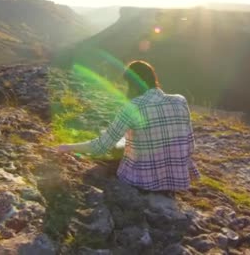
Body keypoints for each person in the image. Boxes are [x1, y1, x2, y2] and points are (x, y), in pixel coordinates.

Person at [56, 60, 199, 191]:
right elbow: (190, 145)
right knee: (130, 139)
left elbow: (101, 146)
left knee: (117, 143)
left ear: (133, 84)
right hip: (177, 180)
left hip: (143, 181)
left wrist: (69, 147)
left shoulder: (133, 107)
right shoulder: (180, 101)